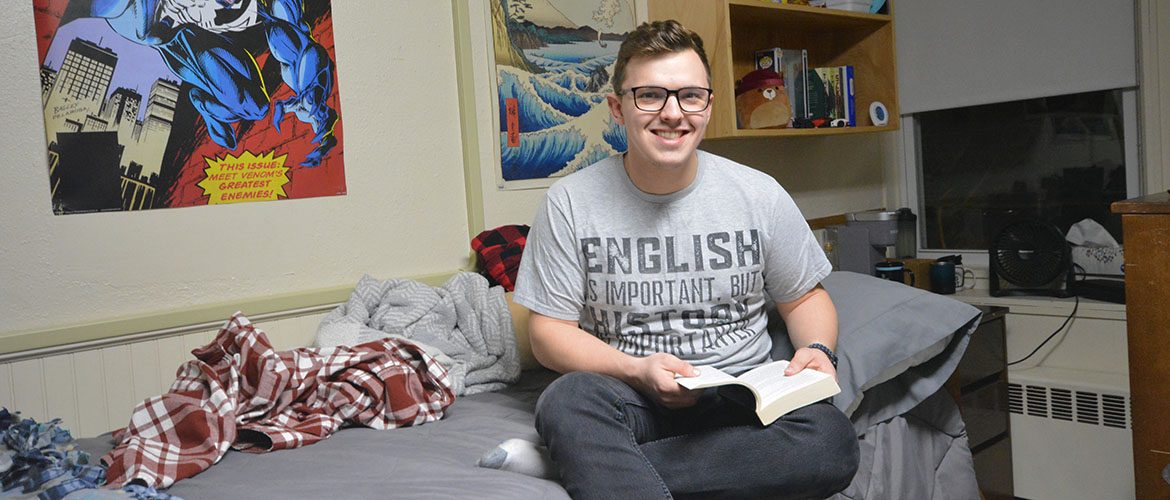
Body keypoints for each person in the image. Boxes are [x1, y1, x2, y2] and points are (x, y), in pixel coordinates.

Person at [504, 19, 859, 499]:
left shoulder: (759, 194)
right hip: (633, 395)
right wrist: (636, 369)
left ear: (708, 106)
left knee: (832, 443)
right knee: (564, 401)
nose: (673, 113)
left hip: (744, 394)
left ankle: (583, 468)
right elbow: (548, 333)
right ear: (617, 107)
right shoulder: (570, 202)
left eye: (690, 96)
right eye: (650, 95)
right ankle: (600, 459)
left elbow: (804, 298)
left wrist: (818, 350)